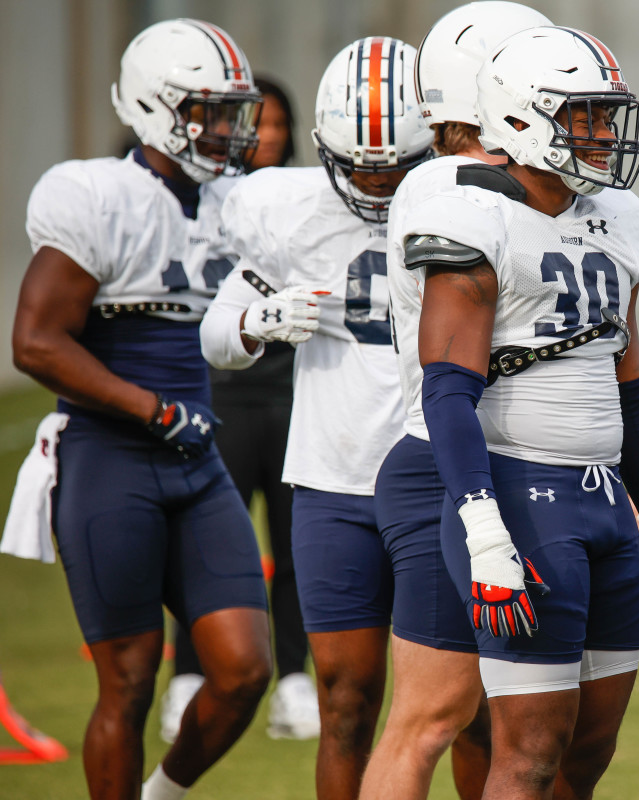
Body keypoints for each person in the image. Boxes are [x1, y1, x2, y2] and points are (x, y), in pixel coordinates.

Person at [398, 24, 639, 799]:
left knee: (586, 754)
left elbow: (630, 385)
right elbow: (447, 388)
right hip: (522, 497)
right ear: (524, 119)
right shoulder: (469, 211)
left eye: (606, 114)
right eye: (585, 116)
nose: (603, 134)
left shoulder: (618, 216)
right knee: (526, 754)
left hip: (603, 502)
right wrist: (483, 526)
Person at [12, 18, 272, 800]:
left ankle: (161, 795)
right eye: (210, 112)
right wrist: (150, 409)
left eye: (234, 111)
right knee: (126, 683)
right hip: (110, 458)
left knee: (244, 669)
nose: (228, 129)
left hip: (197, 462)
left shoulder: (236, 201)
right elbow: (36, 341)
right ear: (159, 108)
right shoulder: (97, 194)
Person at [199, 36, 433, 800]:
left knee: (459, 706)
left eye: (394, 165)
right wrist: (261, 319)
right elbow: (218, 336)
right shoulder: (285, 209)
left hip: (442, 480)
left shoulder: (470, 199)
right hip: (335, 482)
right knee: (345, 702)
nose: (377, 181)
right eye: (361, 163)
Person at [359, 5, 553, 799]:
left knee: (494, 722)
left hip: (490, 455)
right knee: (434, 714)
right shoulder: (455, 184)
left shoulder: (474, 180)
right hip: (451, 461)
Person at [161, 74, 317, 745]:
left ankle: (294, 679)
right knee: (206, 546)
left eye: (281, 124)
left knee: (297, 548)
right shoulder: (206, 200)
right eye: (262, 122)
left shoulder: (315, 202)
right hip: (221, 395)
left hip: (294, 397)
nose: (271, 136)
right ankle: (190, 677)